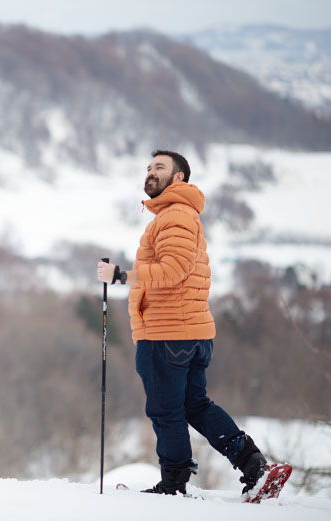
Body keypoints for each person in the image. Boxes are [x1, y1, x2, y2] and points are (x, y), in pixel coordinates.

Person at [96, 150, 268, 496]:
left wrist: (120, 276)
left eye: (159, 167)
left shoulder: (175, 216)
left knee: (165, 409)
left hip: (167, 332)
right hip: (187, 331)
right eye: (148, 168)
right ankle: (252, 465)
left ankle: (174, 482)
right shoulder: (178, 216)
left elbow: (173, 271)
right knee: (194, 404)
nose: (150, 172)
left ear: (179, 178)